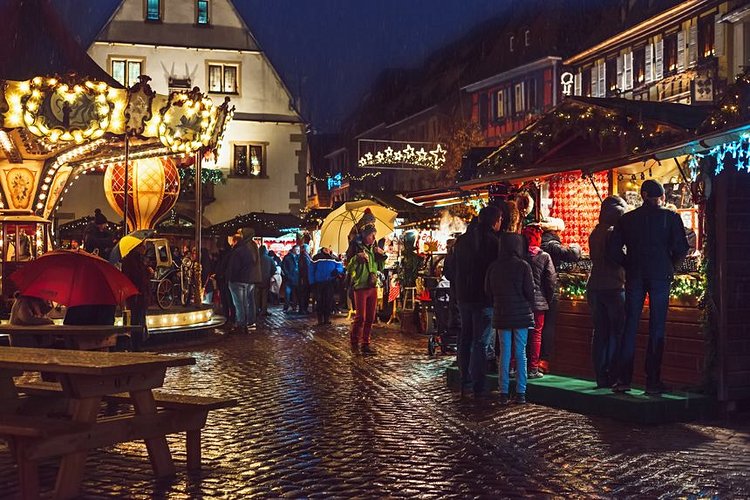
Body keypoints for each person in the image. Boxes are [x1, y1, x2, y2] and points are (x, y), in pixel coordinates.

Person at [607, 180, 690, 395]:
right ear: (659, 197)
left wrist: (629, 263)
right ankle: (652, 381)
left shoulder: (627, 219)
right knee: (657, 327)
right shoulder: (670, 217)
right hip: (661, 274)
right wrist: (670, 264)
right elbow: (682, 248)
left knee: (630, 326)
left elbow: (614, 251)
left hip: (635, 274)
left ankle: (624, 379)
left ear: (643, 195)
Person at [453, 206, 501, 397]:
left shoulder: (463, 241)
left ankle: (466, 382)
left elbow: (452, 268)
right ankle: (479, 384)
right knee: (480, 341)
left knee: (466, 338)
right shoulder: (493, 242)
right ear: (495, 221)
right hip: (483, 297)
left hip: (464, 296)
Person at [486, 233, 535, 404]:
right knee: (520, 352)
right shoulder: (523, 266)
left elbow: (488, 291)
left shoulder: (494, 267)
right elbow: (530, 291)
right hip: (521, 314)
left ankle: (504, 392)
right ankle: (521, 391)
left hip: (502, 313)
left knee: (505, 352)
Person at [587, 196, 628, 389]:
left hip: (595, 286)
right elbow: (618, 258)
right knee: (616, 332)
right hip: (613, 285)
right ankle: (612, 374)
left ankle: (600, 375)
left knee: (600, 332)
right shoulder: (614, 233)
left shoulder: (595, 232)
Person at [539, 217, 580, 366]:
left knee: (538, 326)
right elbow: (573, 255)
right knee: (548, 325)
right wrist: (575, 245)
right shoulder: (552, 244)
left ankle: (535, 359)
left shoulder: (539, 243)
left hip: (536, 290)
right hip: (549, 291)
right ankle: (544, 359)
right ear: (556, 231)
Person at [521, 225, 556, 379]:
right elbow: (551, 281)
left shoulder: (519, 255)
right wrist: (547, 299)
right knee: (536, 334)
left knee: (520, 335)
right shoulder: (544, 256)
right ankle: (533, 368)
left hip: (521, 302)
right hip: (538, 302)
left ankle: (516, 366)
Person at [346, 221, 387, 355]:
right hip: (361, 287)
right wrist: (357, 258)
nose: (374, 238)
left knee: (371, 317)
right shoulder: (357, 249)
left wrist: (381, 256)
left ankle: (366, 343)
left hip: (372, 286)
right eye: (371, 235)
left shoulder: (373, 250)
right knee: (360, 317)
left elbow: (380, 268)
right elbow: (349, 268)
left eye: (375, 235)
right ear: (364, 236)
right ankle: (354, 340)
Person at [120, 241, 151, 351]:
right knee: (136, 320)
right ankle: (135, 345)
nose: (144, 248)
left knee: (138, 320)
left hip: (138, 296)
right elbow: (137, 278)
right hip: (136, 296)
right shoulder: (132, 261)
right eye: (143, 246)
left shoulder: (138, 260)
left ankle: (137, 344)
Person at [227, 232, 254, 333]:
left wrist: (231, 278)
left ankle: (240, 324)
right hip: (246, 280)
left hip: (237, 280)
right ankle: (244, 324)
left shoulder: (237, 251)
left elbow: (234, 267)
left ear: (235, 241)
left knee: (238, 303)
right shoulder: (248, 251)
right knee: (244, 303)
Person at [311, 246, 344, 325]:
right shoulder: (316, 258)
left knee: (328, 301)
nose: (327, 249)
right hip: (318, 283)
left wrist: (337, 270)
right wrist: (312, 282)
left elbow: (340, 267)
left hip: (330, 282)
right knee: (319, 301)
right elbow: (311, 269)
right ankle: (320, 319)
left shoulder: (334, 258)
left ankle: (326, 318)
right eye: (325, 248)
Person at [257, 245, 276, 316]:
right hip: (266, 280)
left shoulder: (256, 258)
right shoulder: (269, 259)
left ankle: (256, 310)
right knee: (264, 296)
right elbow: (274, 269)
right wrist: (270, 275)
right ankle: (263, 310)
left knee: (257, 296)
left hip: (257, 280)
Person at [281, 246, 300, 312]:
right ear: (293, 250)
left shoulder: (299, 257)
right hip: (289, 278)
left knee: (295, 293)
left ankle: (294, 306)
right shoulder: (287, 257)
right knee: (287, 293)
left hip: (296, 278)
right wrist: (287, 275)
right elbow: (283, 267)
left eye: (298, 249)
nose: (298, 251)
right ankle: (286, 307)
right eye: (296, 249)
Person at [297, 244, 313, 314]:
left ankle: (304, 309)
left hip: (305, 278)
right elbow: (304, 268)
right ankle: (303, 309)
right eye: (309, 249)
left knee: (305, 294)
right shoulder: (303, 257)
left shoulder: (305, 256)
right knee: (304, 294)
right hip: (304, 278)